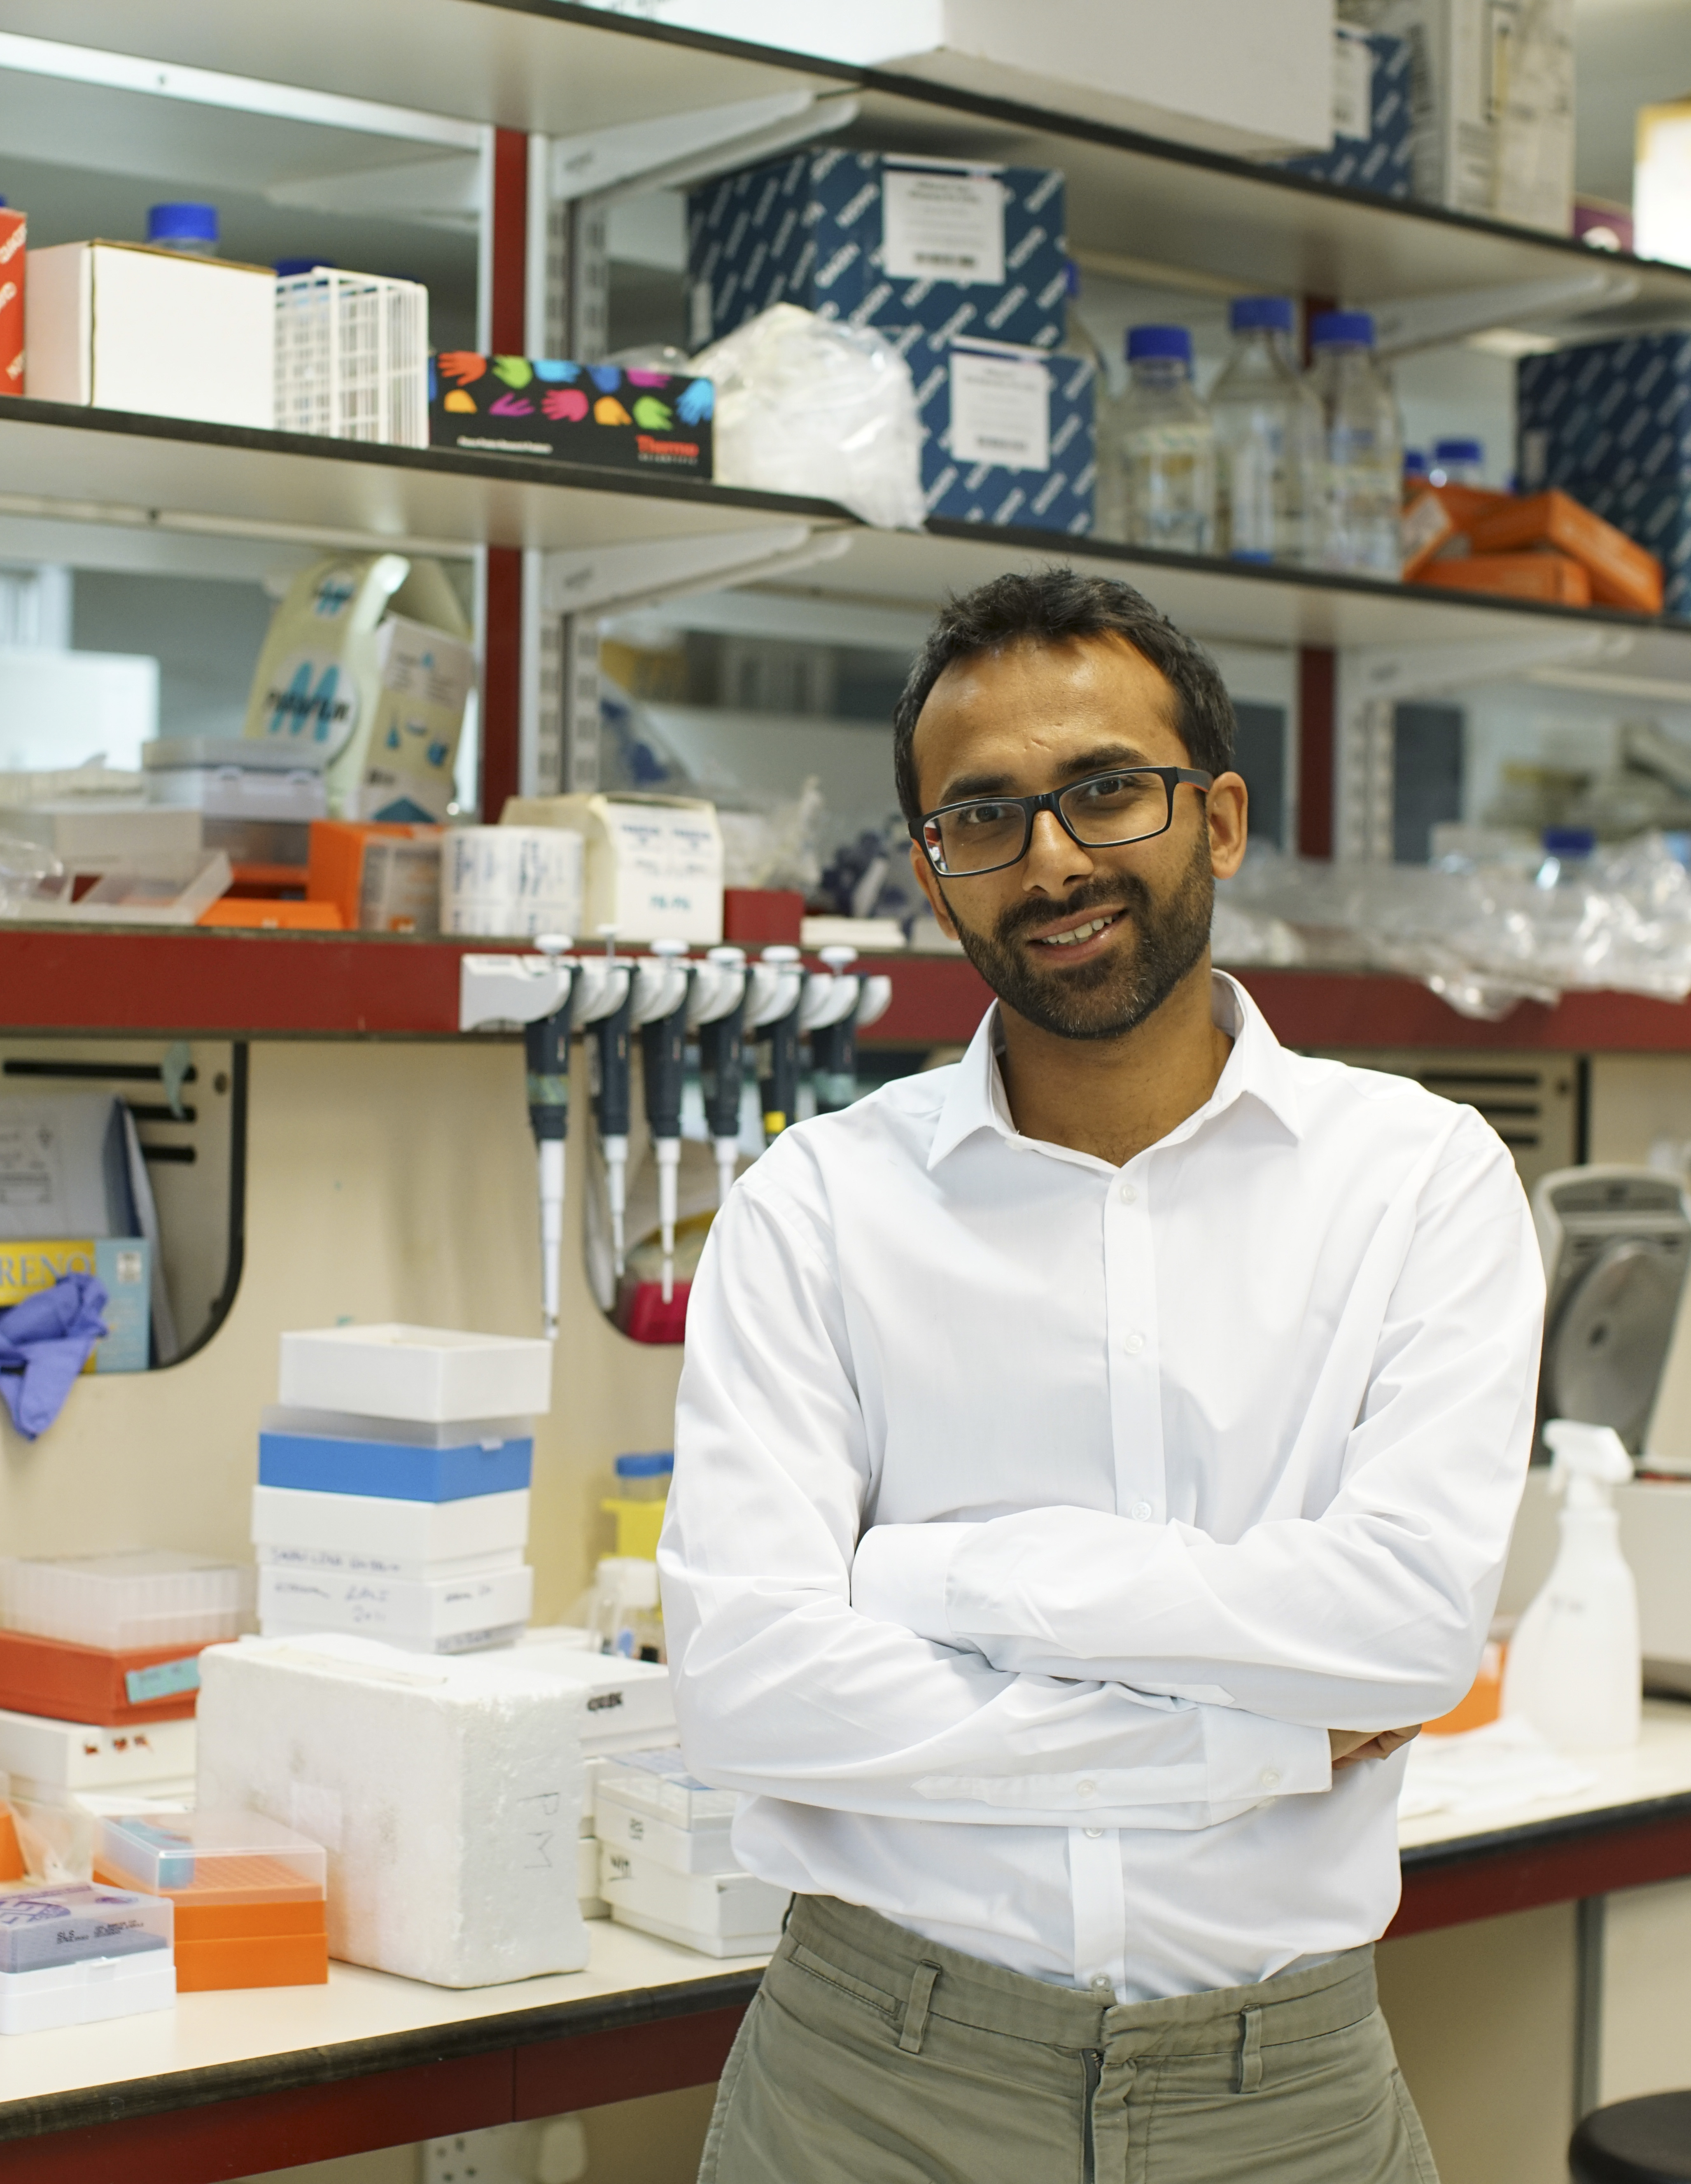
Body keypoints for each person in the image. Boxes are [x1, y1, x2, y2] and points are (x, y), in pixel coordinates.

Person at [664, 567, 1542, 2182]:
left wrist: (936, 1574)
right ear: (934, 876)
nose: (1050, 859)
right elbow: (745, 1691)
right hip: (873, 2090)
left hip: (1282, 2102)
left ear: (1214, 818)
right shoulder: (818, 1207)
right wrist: (1246, 1744)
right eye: (980, 818)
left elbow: (1400, 1630)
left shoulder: (1417, 1180)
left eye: (1103, 791)